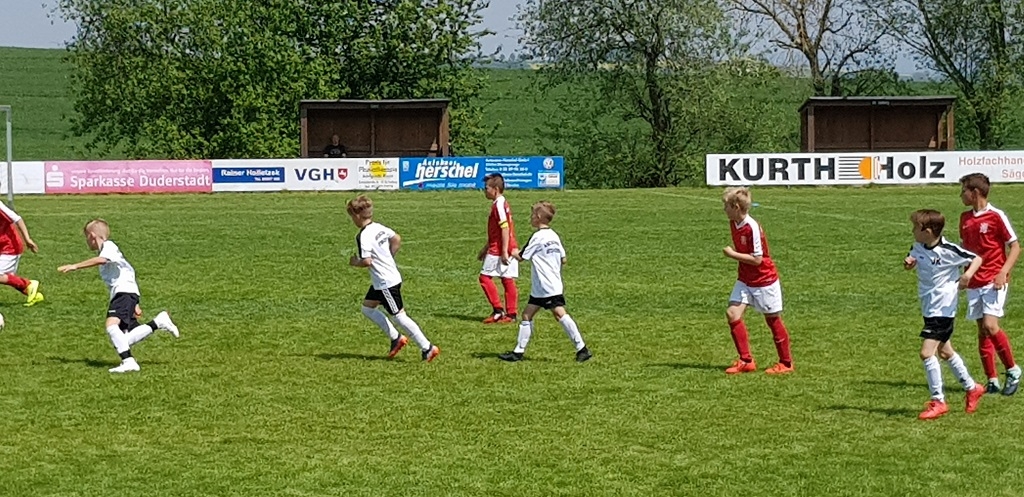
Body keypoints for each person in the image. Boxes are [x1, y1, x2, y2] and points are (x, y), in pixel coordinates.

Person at [57, 219, 179, 373]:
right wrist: (135, 302)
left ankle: (129, 361)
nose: (86, 241)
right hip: (124, 293)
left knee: (111, 326)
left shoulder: (109, 246)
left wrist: (75, 266)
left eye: (86, 237)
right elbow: (127, 271)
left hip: (124, 293)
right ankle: (158, 322)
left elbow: (102, 260)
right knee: (124, 338)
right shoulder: (107, 251)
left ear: (92, 235)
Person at [905, 209, 986, 420]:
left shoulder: (948, 250)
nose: (912, 231)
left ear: (928, 231)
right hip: (929, 307)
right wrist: (909, 263)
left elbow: (976, 259)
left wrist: (967, 276)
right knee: (945, 352)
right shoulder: (917, 246)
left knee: (926, 353)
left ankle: (938, 401)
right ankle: (973, 388)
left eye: (915, 227)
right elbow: (912, 257)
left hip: (943, 309)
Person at [347, 195, 440, 362]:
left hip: (385, 283)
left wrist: (355, 262)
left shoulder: (364, 235)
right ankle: (396, 338)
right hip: (386, 279)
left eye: (352, 216)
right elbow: (396, 238)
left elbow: (367, 261)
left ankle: (427, 347)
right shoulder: (378, 227)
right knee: (367, 308)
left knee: (399, 316)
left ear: (357, 215)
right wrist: (389, 257)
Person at [498, 201, 591, 362]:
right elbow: (563, 259)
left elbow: (521, 257)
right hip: (546, 285)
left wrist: (511, 250)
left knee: (559, 314)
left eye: (532, 215)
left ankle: (582, 348)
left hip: (546, 285)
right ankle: (518, 352)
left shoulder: (537, 237)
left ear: (539, 217)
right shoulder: (554, 236)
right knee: (527, 315)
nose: (530, 218)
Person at [958, 173, 1022, 395]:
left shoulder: (996, 216)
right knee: (982, 330)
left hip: (994, 279)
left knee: (990, 325)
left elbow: (1015, 246)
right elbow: (964, 251)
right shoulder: (965, 218)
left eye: (963, 191)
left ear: (975, 193)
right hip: (974, 281)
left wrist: (1003, 272)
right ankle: (992, 379)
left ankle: (1013, 369)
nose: (960, 195)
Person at [721, 187, 793, 375]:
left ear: (736, 207)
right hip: (745, 278)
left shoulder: (751, 227)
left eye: (726, 205)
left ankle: (786, 363)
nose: (724, 209)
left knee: (772, 320)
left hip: (763, 279)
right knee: (732, 314)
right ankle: (746, 360)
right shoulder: (733, 222)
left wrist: (732, 255)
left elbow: (757, 259)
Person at [477, 173, 519, 324]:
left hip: (500, 248)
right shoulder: (501, 203)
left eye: (486, 187)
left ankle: (498, 310)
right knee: (507, 279)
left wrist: (504, 251)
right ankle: (511, 314)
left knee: (484, 278)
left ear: (495, 189)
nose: (484, 190)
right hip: (505, 246)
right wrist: (485, 248)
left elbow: (504, 228)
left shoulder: (499, 205)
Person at [0, 202, 43, 306]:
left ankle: (29, 284)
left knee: (1, 276)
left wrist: (27, 239)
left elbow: (17, 219)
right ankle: (34, 294)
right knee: (7, 277)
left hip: (10, 246)